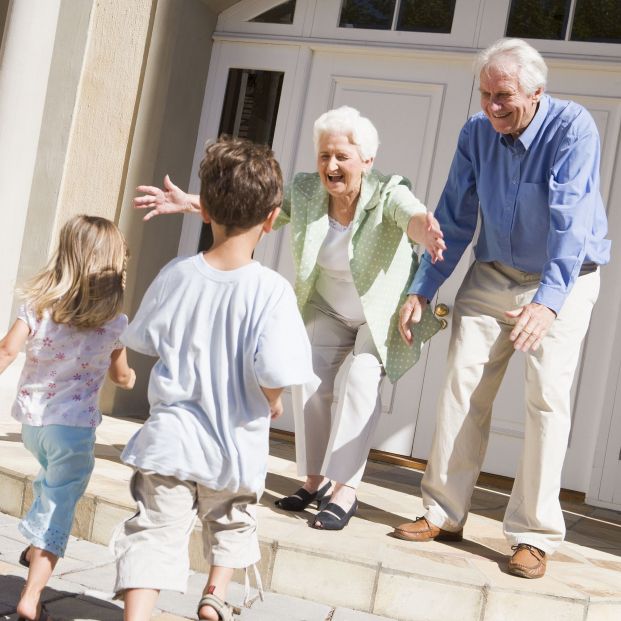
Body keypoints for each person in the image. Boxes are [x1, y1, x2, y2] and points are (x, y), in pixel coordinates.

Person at [134, 106, 446, 531]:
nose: (330, 166)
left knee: (359, 380)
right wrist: (193, 202)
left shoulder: (389, 192)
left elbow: (410, 215)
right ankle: (315, 480)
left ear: (367, 161)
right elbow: (253, 208)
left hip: (378, 316)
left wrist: (424, 231)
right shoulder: (305, 190)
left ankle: (345, 488)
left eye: (341, 157)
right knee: (312, 381)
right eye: (323, 156)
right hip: (328, 306)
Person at [394, 38, 610, 579]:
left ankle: (534, 534)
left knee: (545, 399)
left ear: (537, 92)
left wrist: (550, 303)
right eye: (485, 93)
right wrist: (425, 287)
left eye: (504, 95)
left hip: (566, 276)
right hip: (493, 273)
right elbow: (455, 214)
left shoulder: (572, 127)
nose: (492, 106)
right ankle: (443, 512)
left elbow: (570, 220)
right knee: (462, 387)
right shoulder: (475, 133)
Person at [112, 137, 316, 621]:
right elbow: (274, 370)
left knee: (154, 532)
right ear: (272, 218)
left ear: (205, 211)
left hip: (171, 441)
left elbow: (143, 339)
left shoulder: (177, 274)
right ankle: (213, 596)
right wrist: (274, 398)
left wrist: (120, 368)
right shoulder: (272, 291)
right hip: (234, 444)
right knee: (231, 521)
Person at [0, 215, 135, 621]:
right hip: (74, 432)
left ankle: (31, 548)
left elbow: (7, 349)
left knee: (48, 481)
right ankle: (31, 596)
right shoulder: (114, 322)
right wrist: (130, 380)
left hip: (33, 426)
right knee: (60, 506)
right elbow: (121, 375)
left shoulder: (37, 306)